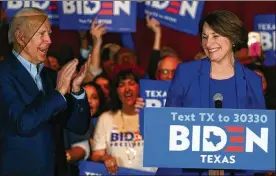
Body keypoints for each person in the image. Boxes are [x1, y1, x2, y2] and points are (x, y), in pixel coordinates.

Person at [155, 10, 266, 176]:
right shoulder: (185, 73)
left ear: (233, 38)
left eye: (215, 36)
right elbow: (169, 125)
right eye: (205, 37)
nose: (208, 43)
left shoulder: (252, 81)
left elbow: (259, 137)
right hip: (184, 170)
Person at [0, 7, 91, 176]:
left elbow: (78, 126)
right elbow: (22, 123)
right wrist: (57, 94)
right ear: (21, 37)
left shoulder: (51, 77)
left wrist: (77, 91)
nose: (49, 40)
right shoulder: (3, 74)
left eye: (49, 34)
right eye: (41, 34)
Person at [91, 69, 157, 175]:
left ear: (140, 88)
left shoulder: (154, 116)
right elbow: (96, 154)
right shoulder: (106, 118)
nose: (127, 89)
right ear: (116, 91)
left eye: (131, 84)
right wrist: (105, 158)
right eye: (121, 85)